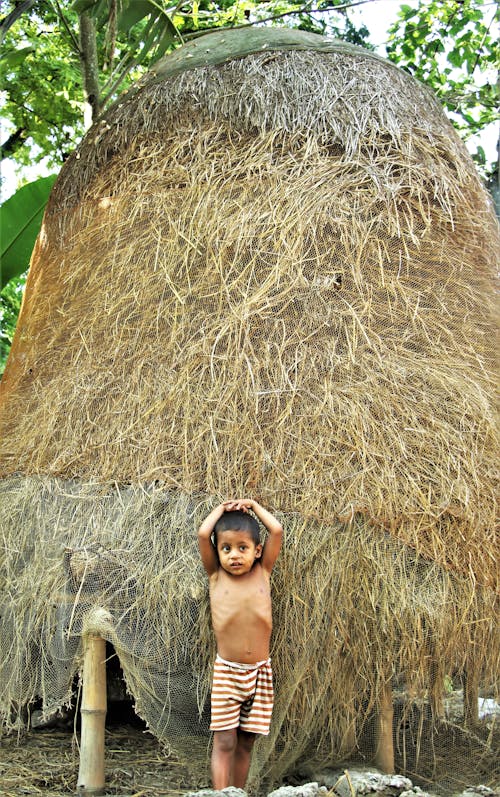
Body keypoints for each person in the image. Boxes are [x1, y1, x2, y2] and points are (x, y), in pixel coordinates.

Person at [198, 498, 283, 790]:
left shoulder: (263, 572)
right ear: (217, 552)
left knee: (247, 741)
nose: (234, 555)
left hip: (260, 673)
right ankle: (221, 794)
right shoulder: (216, 576)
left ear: (257, 551)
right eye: (226, 548)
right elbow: (202, 533)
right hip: (227, 673)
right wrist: (222, 509)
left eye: (242, 548)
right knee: (224, 740)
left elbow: (277, 530)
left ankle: (239, 792)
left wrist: (253, 505)